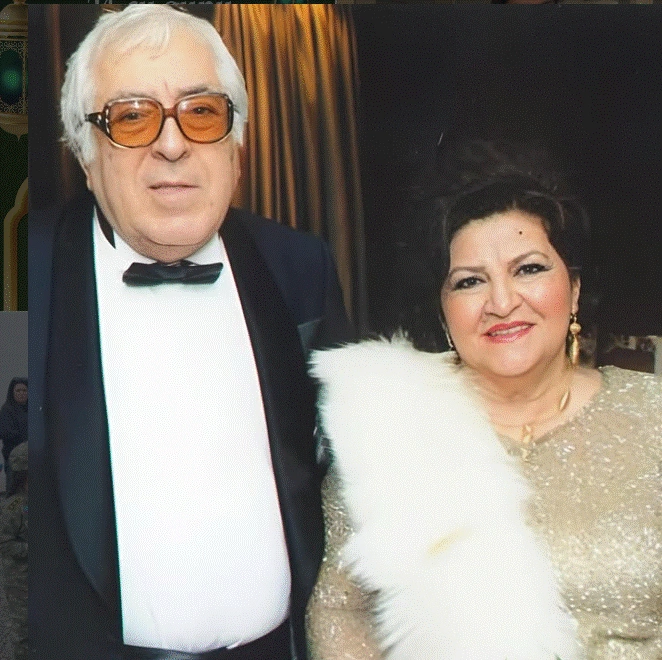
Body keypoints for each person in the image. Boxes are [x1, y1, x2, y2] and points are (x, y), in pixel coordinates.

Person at [29, 6, 353, 660]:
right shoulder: (27, 271)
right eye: (132, 116)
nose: (172, 145)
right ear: (86, 156)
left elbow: (347, 478)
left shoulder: (300, 267)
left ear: (237, 145)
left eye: (201, 112)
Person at [306, 143, 661, 660]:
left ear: (574, 290)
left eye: (529, 269)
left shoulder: (651, 416)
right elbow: (339, 610)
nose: (502, 302)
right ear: (443, 312)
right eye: (470, 281)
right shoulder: (391, 431)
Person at [0, 442, 28, 660]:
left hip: (40, 579)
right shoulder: (14, 506)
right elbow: (4, 543)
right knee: (21, 632)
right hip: (19, 581)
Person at [0, 378, 28, 494]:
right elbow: (6, 433)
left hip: (31, 460)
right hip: (13, 461)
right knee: (14, 494)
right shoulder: (7, 410)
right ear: (12, 392)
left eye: (24, 390)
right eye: (18, 391)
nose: (21, 393)